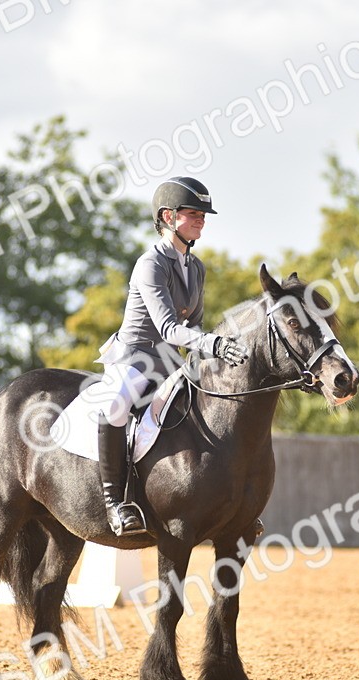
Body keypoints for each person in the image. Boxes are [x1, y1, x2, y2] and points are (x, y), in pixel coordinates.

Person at [94, 176, 249, 535]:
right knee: (115, 407)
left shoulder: (196, 267)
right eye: (193, 213)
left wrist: (206, 351)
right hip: (135, 357)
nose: (202, 219)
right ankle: (114, 503)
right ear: (168, 217)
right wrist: (211, 343)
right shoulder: (150, 264)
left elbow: (193, 323)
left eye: (203, 214)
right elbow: (166, 327)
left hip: (170, 362)